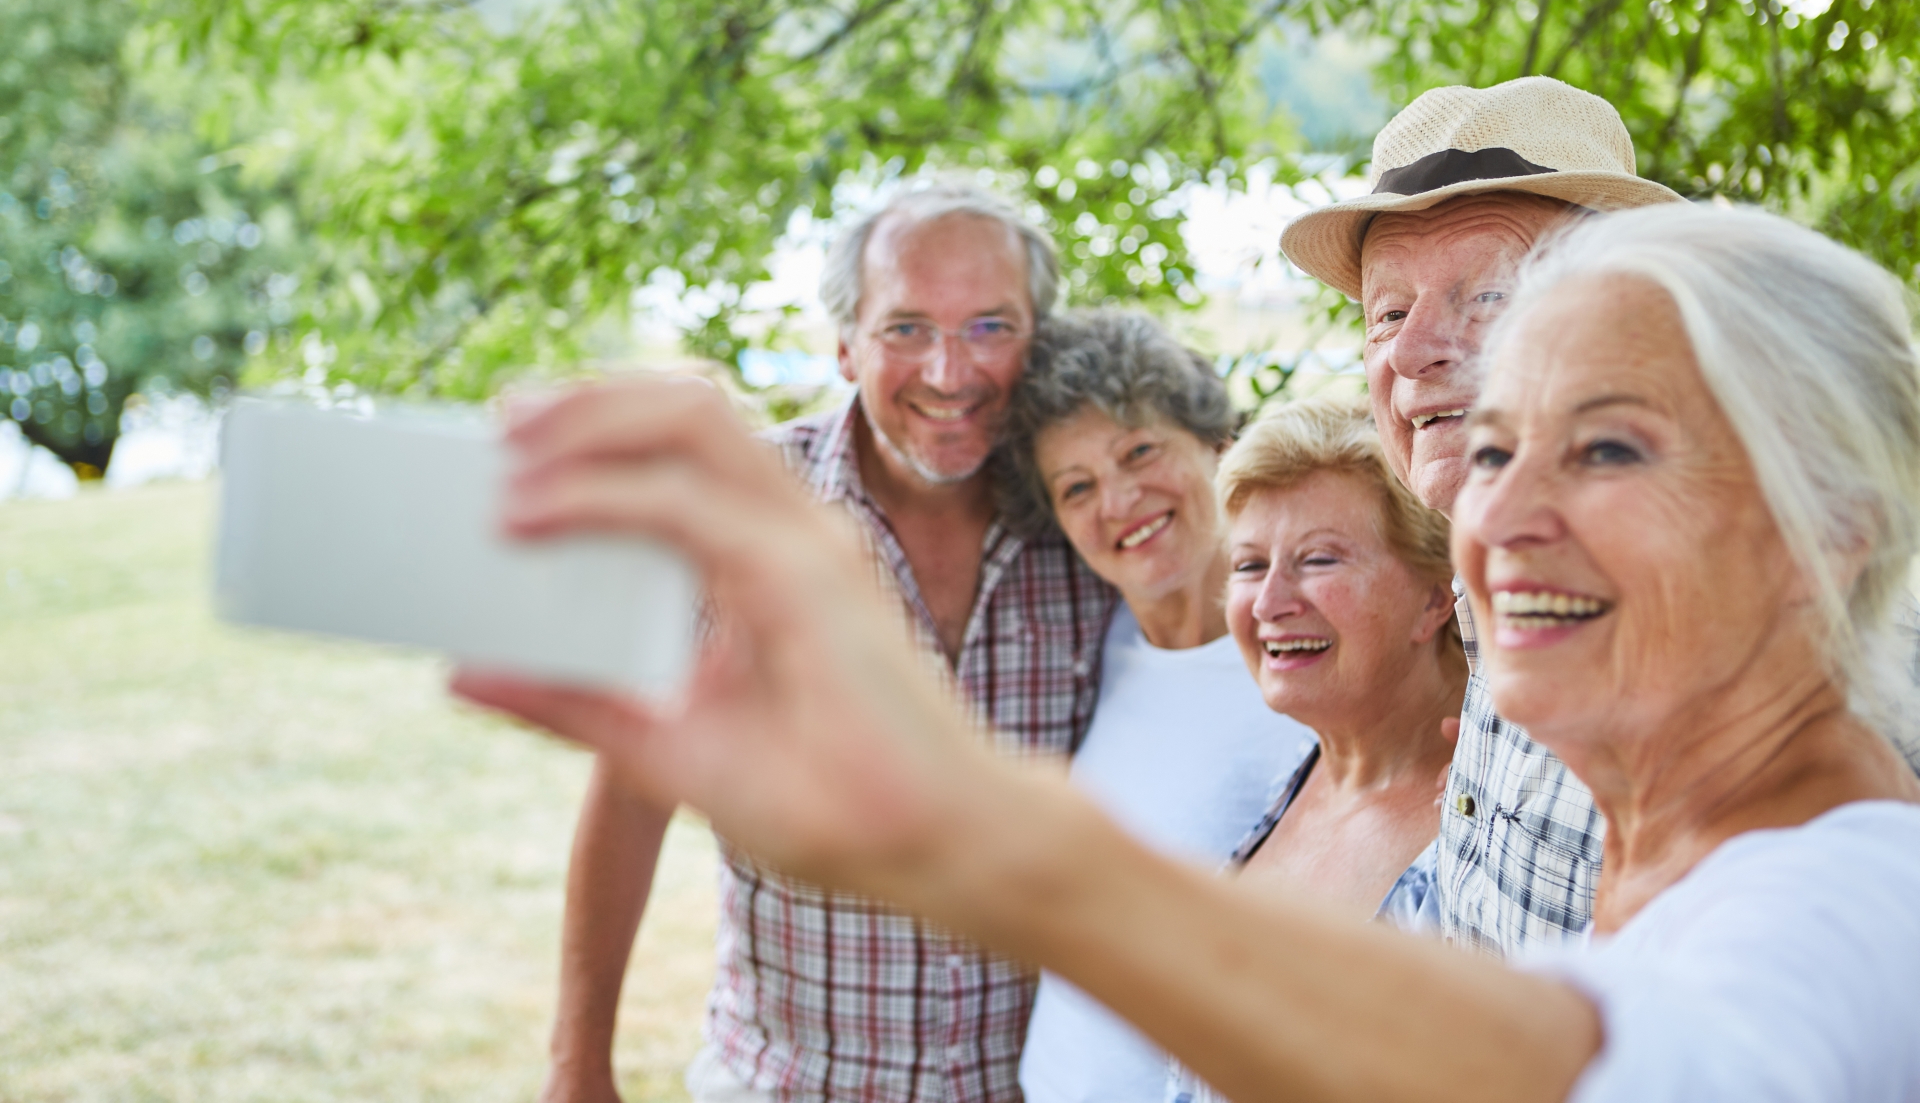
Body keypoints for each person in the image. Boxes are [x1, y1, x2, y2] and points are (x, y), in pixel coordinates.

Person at [460, 202, 1920, 1100]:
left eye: (1608, 447)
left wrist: (977, 837)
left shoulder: (1858, 895)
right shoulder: (1636, 835)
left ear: (1831, 522)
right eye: (1486, 447)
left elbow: (1618, 1069)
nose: (1502, 511)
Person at [538, 182, 1116, 1103]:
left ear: (1039, 336)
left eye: (990, 327)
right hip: (791, 1083)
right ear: (845, 344)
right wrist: (576, 1070)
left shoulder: (1096, 514)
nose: (948, 370)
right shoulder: (742, 511)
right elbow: (632, 791)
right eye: (906, 329)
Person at [1277, 76, 1684, 953]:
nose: (1414, 352)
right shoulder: (1493, 593)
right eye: (1388, 311)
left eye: (1489, 295)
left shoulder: (1736, 632)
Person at [996, 311, 1313, 1103]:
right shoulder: (1095, 645)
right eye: (1077, 487)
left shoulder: (1304, 653)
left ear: (1214, 443)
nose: (1120, 500)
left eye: (1140, 451)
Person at [1164, 400, 1465, 1103]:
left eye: (1318, 558)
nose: (1269, 601)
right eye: (1248, 564)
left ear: (1434, 596)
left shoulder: (1488, 825)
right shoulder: (1306, 771)